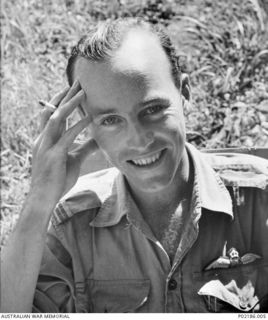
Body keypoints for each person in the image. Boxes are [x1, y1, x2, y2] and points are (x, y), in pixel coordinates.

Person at [2, 18, 268, 313]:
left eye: (153, 109)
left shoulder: (260, 197)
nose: (139, 140)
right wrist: (39, 200)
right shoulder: (71, 228)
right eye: (111, 120)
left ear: (185, 94)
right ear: (85, 124)